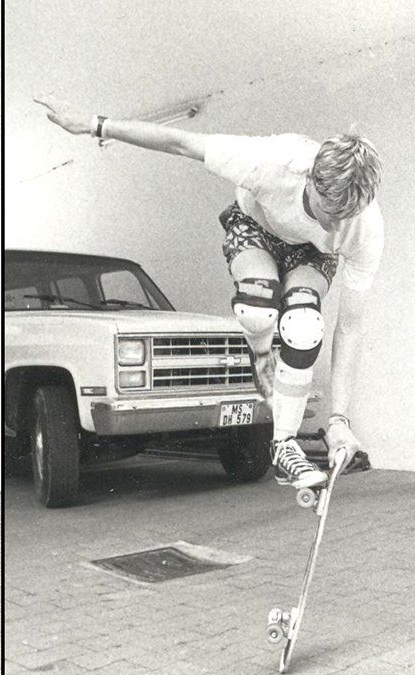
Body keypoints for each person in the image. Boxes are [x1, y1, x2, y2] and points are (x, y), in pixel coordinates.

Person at [34, 94, 379, 488]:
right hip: (256, 229)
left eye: (344, 219)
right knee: (257, 309)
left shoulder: (365, 230)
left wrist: (339, 420)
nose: (335, 228)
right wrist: (96, 124)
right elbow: (181, 142)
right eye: (326, 213)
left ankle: (283, 445)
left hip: (311, 258)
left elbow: (349, 329)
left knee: (304, 324)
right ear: (310, 179)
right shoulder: (270, 160)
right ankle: (262, 354)